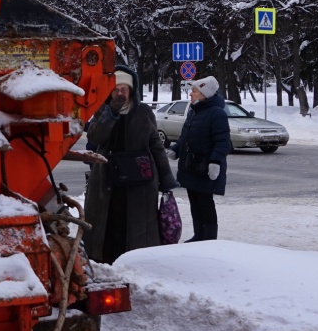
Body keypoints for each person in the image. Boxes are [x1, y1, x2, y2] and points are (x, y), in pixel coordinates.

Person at [83, 69, 177, 264]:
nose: (120, 93)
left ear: (132, 90)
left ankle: (137, 263)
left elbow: (156, 146)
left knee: (136, 227)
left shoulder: (144, 112)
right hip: (107, 181)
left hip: (139, 183)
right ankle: (105, 261)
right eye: (115, 89)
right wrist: (111, 113)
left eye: (124, 89)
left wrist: (166, 179)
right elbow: (95, 137)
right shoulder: (103, 109)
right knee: (107, 223)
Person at [168, 76, 231, 242]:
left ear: (205, 94)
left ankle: (209, 238)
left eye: (194, 91)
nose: (191, 94)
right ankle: (199, 235)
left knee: (205, 203)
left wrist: (215, 162)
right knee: (194, 202)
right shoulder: (194, 111)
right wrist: (176, 150)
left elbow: (223, 141)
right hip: (191, 166)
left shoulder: (216, 113)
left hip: (204, 168)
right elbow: (185, 137)